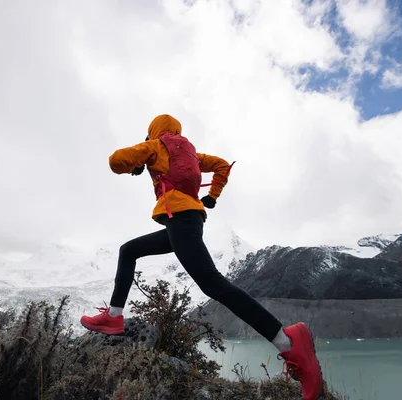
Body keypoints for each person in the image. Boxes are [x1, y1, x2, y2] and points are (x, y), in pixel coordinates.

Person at [80, 114, 323, 400]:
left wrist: (140, 158)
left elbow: (115, 161)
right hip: (186, 220)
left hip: (180, 220)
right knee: (129, 250)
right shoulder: (191, 152)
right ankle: (114, 317)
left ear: (154, 132)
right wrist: (213, 196)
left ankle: (287, 342)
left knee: (213, 285)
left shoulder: (156, 147)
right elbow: (221, 165)